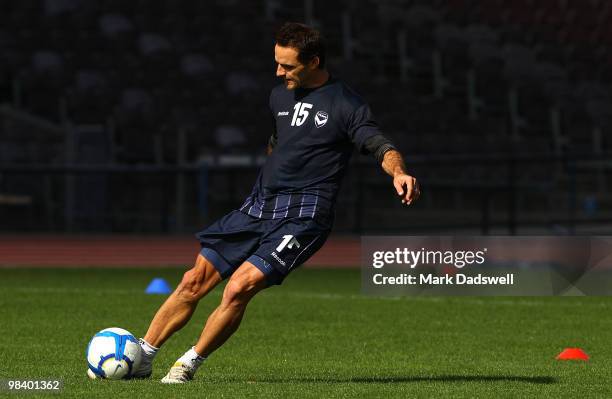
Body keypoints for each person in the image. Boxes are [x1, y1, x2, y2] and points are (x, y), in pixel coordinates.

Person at [136, 22, 419, 383]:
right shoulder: (279, 96)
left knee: (239, 287)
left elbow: (380, 144)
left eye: (287, 66)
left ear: (314, 61)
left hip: (305, 216)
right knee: (193, 280)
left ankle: (187, 364)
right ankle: (141, 357)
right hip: (260, 204)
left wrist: (398, 172)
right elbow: (278, 142)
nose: (278, 72)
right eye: (277, 63)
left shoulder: (346, 103)